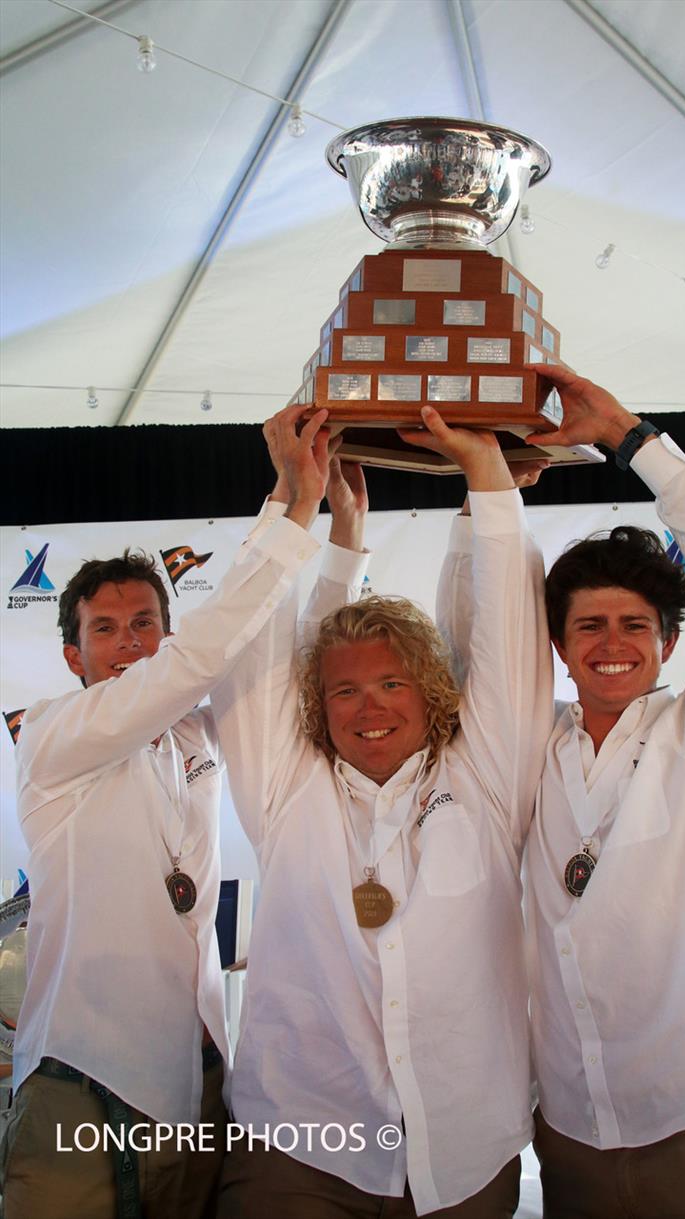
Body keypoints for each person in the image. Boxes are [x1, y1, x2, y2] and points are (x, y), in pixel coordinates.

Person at [0, 409, 365, 1219]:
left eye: (145, 626)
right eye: (106, 631)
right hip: (82, 1079)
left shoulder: (196, 730)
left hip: (197, 1075)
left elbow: (281, 650)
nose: (129, 644)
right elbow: (204, 651)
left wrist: (338, 530)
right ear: (74, 655)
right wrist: (290, 505)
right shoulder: (55, 734)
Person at [454, 365, 685, 1219]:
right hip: (568, 1122)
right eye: (588, 626)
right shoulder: (535, 745)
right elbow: (477, 642)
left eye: (634, 624)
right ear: (560, 648)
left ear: (669, 641)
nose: (612, 644)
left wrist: (627, 437)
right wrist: (483, 492)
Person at [210, 408, 554, 1217]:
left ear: (430, 689)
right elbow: (253, 652)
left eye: (392, 683)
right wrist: (298, 504)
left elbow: (507, 639)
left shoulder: (486, 775)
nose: (370, 707)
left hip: (464, 1149)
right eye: (345, 689)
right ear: (316, 704)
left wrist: (488, 479)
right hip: (301, 1146)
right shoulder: (287, 789)